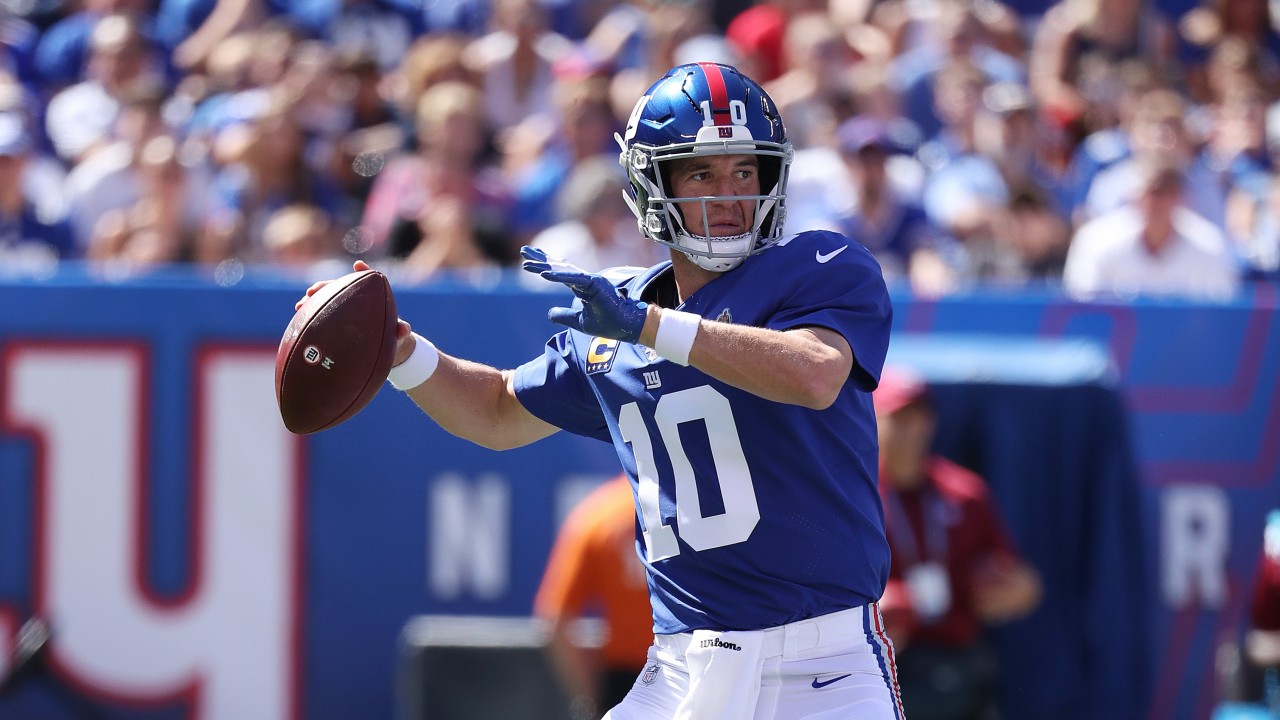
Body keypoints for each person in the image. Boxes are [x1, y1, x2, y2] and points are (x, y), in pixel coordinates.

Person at [300, 62, 902, 719]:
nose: (728, 194)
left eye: (744, 169)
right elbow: (498, 410)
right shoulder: (616, 314)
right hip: (682, 667)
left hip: (822, 667)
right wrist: (404, 354)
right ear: (651, 182)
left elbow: (815, 373)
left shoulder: (816, 267)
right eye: (700, 172)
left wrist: (651, 327)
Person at [872, 366, 1042, 720]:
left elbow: (1019, 580)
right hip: (880, 659)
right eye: (899, 418)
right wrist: (877, 604)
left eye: (920, 417)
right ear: (874, 419)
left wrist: (1014, 592)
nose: (912, 430)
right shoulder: (855, 495)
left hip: (957, 660)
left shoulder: (964, 493)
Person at [534, 474, 653, 719]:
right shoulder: (691, 510)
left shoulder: (599, 513)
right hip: (693, 668)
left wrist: (591, 699)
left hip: (625, 684)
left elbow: (553, 619)